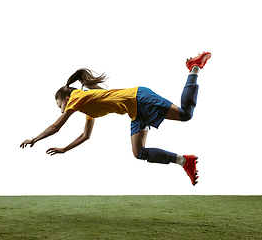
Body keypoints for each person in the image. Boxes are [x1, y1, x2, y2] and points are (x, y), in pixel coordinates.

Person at [20, 52, 211, 186]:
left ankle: (194, 66)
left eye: (59, 105)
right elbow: (85, 136)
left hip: (139, 98)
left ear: (66, 99)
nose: (61, 110)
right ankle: (184, 161)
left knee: (185, 114)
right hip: (135, 112)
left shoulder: (77, 97)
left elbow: (56, 127)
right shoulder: (86, 106)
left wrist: (34, 139)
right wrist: (64, 149)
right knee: (139, 152)